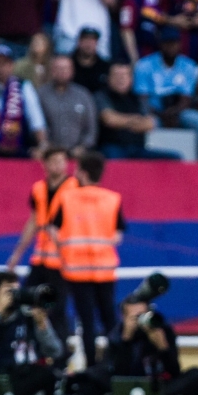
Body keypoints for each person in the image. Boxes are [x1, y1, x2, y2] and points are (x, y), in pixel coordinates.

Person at [50, 151, 125, 367]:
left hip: (76, 270)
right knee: (110, 319)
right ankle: (115, 365)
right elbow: (117, 236)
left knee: (87, 321)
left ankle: (92, 367)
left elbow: (54, 230)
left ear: (82, 173)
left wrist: (65, 249)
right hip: (104, 269)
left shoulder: (67, 198)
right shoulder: (112, 199)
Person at [5, 146, 77, 344]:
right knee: (27, 301)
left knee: (57, 309)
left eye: (62, 161)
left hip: (63, 259)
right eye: (53, 161)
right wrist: (17, 254)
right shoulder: (39, 188)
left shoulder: (74, 188)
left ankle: (60, 355)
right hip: (41, 256)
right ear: (45, 164)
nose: (58, 166)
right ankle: (30, 349)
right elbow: (34, 221)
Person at [111, 296, 198, 395]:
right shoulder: (117, 334)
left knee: (195, 374)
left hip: (161, 387)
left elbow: (174, 371)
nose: (139, 320)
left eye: (143, 315)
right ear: (124, 317)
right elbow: (116, 372)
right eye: (135, 317)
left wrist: (162, 347)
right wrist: (125, 340)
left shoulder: (161, 329)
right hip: (127, 385)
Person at [0, 271, 63, 395]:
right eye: (8, 292)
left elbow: (55, 351)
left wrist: (42, 325)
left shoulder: (28, 314)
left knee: (49, 374)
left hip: (25, 374)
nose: (13, 296)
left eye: (16, 290)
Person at [133, 27, 198, 156]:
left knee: (197, 121)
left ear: (179, 45)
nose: (171, 46)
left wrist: (173, 114)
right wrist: (160, 115)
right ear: (161, 44)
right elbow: (142, 99)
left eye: (174, 43)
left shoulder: (188, 65)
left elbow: (186, 99)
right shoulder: (144, 65)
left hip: (178, 112)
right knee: (145, 122)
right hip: (153, 111)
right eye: (167, 43)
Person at [96, 63, 181, 160]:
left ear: (131, 78)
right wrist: (136, 120)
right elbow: (109, 119)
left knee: (174, 158)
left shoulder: (138, 98)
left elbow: (150, 123)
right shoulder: (101, 96)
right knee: (114, 157)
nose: (121, 79)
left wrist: (122, 122)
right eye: (117, 75)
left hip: (138, 148)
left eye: (124, 75)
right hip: (112, 146)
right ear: (108, 78)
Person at [35, 55, 97, 158]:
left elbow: (91, 128)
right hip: (49, 154)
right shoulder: (41, 94)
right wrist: (43, 145)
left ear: (72, 71)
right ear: (52, 71)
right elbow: (35, 123)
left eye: (66, 68)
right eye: (58, 68)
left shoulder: (83, 95)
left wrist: (83, 147)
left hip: (78, 154)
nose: (62, 72)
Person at [119, 0, 164, 64]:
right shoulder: (130, 1)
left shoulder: (156, 0)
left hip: (154, 56)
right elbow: (126, 30)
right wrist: (134, 60)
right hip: (139, 55)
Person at [71, 27, 110, 94]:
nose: (88, 44)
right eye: (85, 39)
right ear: (79, 42)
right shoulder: (69, 64)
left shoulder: (105, 67)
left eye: (92, 40)